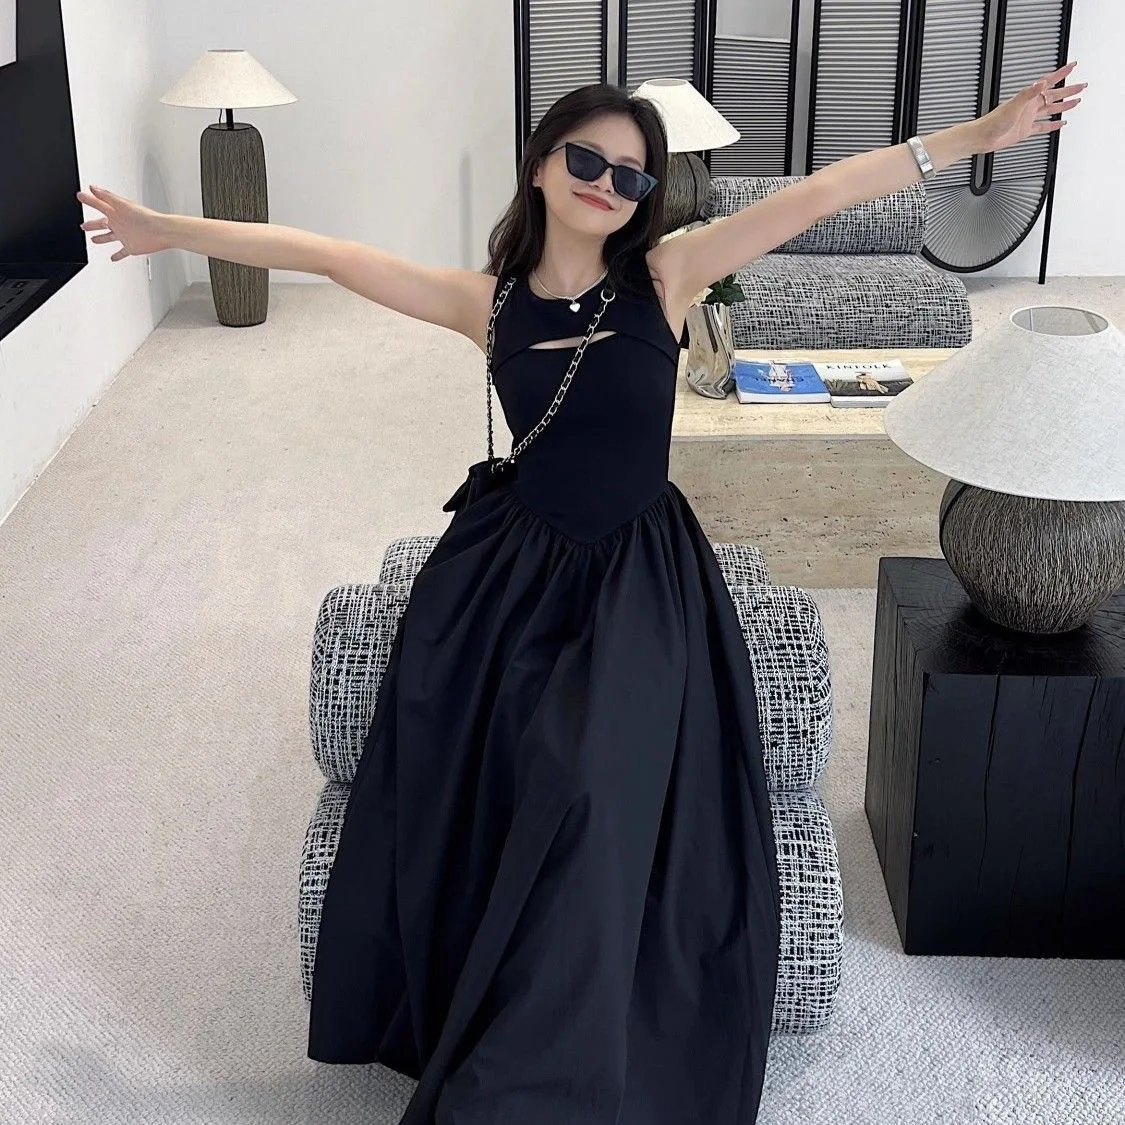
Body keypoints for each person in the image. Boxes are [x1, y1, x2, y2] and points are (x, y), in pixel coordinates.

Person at [79, 63, 1083, 1123]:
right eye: (588, 159)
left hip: (641, 574)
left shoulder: (670, 274)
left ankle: (558, 1061)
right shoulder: (484, 302)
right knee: (492, 764)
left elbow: (822, 193)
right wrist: (165, 228)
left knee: (596, 784)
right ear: (541, 164)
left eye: (631, 175)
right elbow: (327, 253)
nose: (607, 183)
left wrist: (975, 136)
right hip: (515, 570)